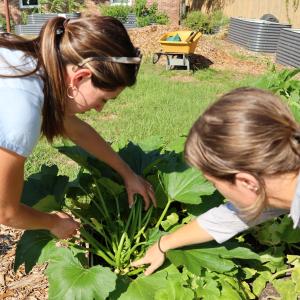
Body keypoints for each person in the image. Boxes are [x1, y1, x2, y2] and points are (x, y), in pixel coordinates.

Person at [0, 16, 156, 240]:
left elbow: (75, 128)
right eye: (104, 99)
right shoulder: (22, 110)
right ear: (80, 76)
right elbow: (5, 211)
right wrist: (53, 222)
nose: (100, 109)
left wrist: (127, 173)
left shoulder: (24, 58)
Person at [132, 87, 300, 275]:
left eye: (215, 184)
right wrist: (163, 244)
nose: (218, 192)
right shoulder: (279, 185)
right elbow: (227, 218)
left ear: (247, 182)